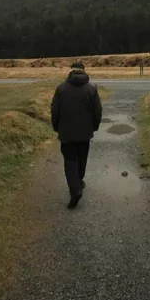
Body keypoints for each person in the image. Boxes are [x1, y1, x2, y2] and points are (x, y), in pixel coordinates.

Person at [50, 61, 102, 209]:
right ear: (84, 72)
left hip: (66, 132)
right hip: (85, 132)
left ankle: (75, 189)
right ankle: (78, 181)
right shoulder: (91, 89)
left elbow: (55, 111)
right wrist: (94, 126)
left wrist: (56, 126)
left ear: (70, 71)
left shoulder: (61, 89)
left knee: (70, 160)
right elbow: (97, 111)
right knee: (82, 156)